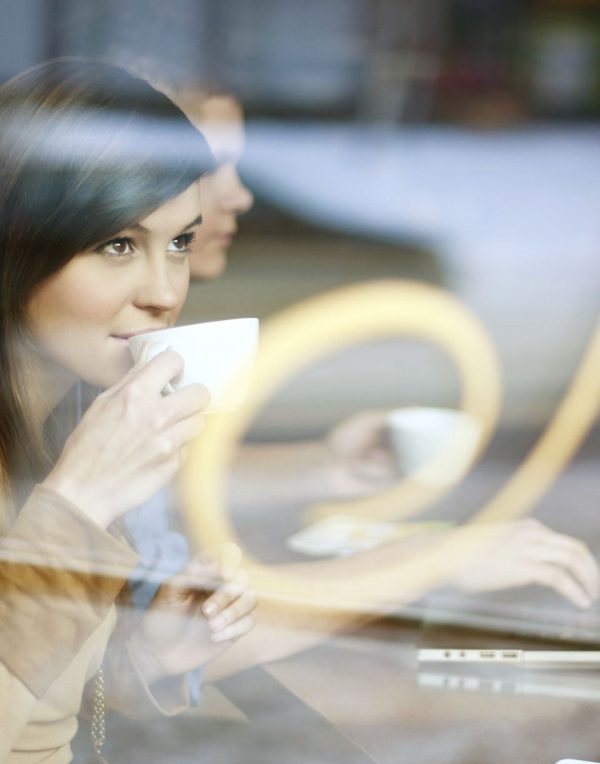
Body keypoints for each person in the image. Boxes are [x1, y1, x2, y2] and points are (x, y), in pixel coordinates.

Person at [166, 81, 600, 617]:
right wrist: (429, 561)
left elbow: (152, 486)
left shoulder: (125, 358)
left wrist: (324, 465)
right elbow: (175, 642)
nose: (241, 195)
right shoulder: (106, 353)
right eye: (211, 168)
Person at [0, 57, 256, 764]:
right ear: (18, 245)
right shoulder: (74, 472)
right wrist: (77, 507)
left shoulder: (55, 428)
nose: (165, 292)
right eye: (118, 245)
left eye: (179, 243)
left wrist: (148, 657)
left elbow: (35, 722)